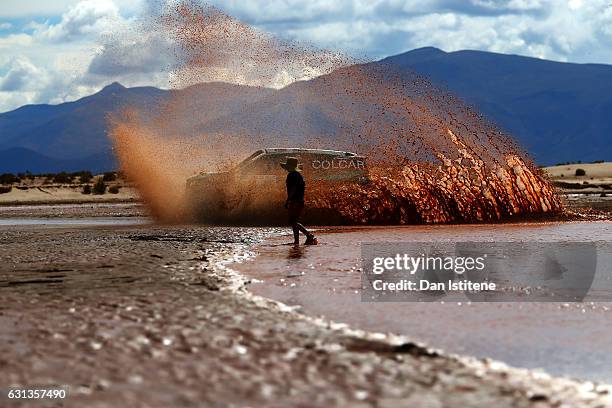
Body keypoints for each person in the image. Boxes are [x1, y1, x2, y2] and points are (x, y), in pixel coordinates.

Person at [280, 157, 317, 245]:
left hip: (295, 201)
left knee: (293, 221)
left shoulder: (291, 175)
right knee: (294, 221)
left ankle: (309, 235)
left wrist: (288, 200)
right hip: (299, 200)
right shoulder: (298, 175)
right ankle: (296, 241)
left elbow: (293, 188)